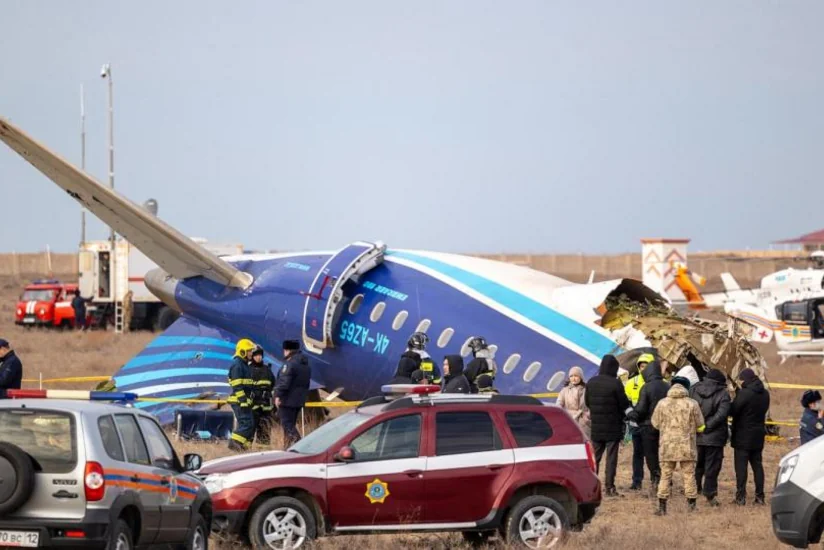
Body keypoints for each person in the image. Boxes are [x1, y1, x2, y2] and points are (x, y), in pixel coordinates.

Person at [651, 376, 705, 515]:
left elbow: (655, 423)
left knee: (665, 476)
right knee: (689, 475)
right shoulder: (692, 404)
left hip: (667, 446)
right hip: (687, 446)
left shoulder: (662, 403)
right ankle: (691, 506)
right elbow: (700, 424)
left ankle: (662, 507)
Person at [584, 354, 631, 497]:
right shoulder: (615, 383)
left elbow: (587, 403)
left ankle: (592, 488)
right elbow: (623, 404)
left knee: (595, 458)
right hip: (613, 427)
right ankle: (609, 487)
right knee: (611, 458)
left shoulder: (591, 382)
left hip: (597, 427)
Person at [689, 368, 731, 507]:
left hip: (697, 434)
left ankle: (694, 489)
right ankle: (710, 494)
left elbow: (690, 409)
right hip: (715, 437)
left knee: (697, 464)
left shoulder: (694, 390)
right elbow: (722, 414)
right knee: (712, 467)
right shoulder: (723, 394)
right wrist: (707, 426)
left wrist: (699, 425)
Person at [730, 368, 770, 506]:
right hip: (758, 435)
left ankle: (740, 498)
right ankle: (760, 497)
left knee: (741, 469)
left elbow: (733, 411)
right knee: (757, 466)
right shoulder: (765, 394)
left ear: (745, 379)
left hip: (742, 436)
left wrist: (735, 397)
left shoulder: (744, 394)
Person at [628, 359, 669, 491]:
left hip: (648, 426)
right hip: (666, 427)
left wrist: (631, 415)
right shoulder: (667, 386)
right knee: (664, 455)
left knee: (651, 455)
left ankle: (656, 479)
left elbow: (641, 409)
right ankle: (667, 480)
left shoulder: (646, 387)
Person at [625, 353, 654, 491]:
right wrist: (632, 416)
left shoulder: (659, 383)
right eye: (641, 366)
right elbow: (627, 402)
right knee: (637, 454)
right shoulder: (631, 382)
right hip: (636, 425)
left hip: (652, 425)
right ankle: (637, 481)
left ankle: (656, 479)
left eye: (646, 366)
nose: (643, 369)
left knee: (653, 453)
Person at [275, 340, 311, 448]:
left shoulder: (290, 365)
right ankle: (287, 449)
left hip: (287, 400)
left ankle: (301, 446)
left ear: (288, 351)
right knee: (290, 426)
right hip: (299, 401)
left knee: (288, 425)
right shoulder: (305, 365)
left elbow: (284, 383)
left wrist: (277, 395)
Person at [227, 339, 256, 451]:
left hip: (244, 401)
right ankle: (234, 442)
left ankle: (243, 447)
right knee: (247, 424)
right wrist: (243, 401)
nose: (251, 353)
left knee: (250, 424)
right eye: (249, 351)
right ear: (242, 351)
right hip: (239, 401)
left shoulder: (244, 365)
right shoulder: (237, 365)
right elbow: (237, 386)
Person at [249, 345, 277, 445]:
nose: (258, 357)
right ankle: (245, 452)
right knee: (250, 429)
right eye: (256, 355)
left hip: (266, 406)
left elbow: (273, 384)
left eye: (260, 355)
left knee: (265, 429)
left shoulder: (267, 370)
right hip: (253, 405)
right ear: (252, 356)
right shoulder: (248, 370)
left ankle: (263, 451)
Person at [556, 366, 590, 438]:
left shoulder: (587, 389)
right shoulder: (565, 390)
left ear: (581, 377)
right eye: (571, 376)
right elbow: (558, 404)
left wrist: (588, 416)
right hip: (570, 420)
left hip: (585, 421)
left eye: (576, 376)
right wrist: (564, 416)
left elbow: (592, 404)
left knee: (586, 443)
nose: (573, 378)